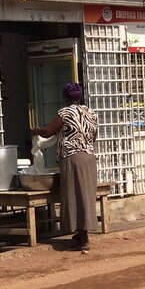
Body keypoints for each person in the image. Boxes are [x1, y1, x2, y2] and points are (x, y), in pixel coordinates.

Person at [32, 82, 98, 251]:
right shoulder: (90, 112)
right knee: (85, 196)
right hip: (89, 158)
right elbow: (93, 137)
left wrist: (35, 130)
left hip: (72, 158)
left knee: (73, 196)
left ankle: (83, 239)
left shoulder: (65, 112)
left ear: (66, 97)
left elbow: (48, 132)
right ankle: (81, 234)